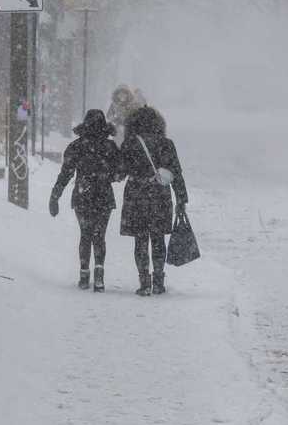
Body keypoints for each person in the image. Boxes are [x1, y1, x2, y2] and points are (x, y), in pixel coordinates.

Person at [49, 109, 122, 292]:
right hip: (104, 195)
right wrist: (107, 176)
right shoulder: (110, 147)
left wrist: (55, 195)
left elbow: (65, 174)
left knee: (85, 234)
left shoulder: (77, 146)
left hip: (83, 195)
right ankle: (99, 275)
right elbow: (120, 172)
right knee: (100, 236)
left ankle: (84, 274)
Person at [119, 105, 188, 296]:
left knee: (140, 240)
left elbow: (119, 172)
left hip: (136, 195)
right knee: (158, 239)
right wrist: (181, 199)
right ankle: (158, 280)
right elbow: (177, 174)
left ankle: (144, 282)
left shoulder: (129, 144)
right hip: (160, 196)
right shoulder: (166, 144)